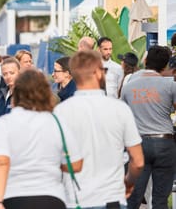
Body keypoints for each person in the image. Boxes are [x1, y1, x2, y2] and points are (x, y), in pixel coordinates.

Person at [54, 50, 144, 208]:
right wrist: (129, 182)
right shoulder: (119, 109)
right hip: (111, 197)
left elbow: (53, 157)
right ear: (98, 73)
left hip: (76, 199)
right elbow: (138, 161)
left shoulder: (61, 111)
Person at [0, 69, 83, 209]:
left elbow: (0, 162)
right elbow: (76, 164)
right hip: (51, 198)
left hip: (13, 197)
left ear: (17, 93)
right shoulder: (57, 123)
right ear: (46, 93)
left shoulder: (1, 125)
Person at [121, 45, 176, 209]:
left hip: (138, 145)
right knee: (160, 199)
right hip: (165, 143)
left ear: (145, 61)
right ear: (165, 65)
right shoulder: (170, 86)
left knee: (134, 198)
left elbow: (123, 118)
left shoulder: (128, 87)